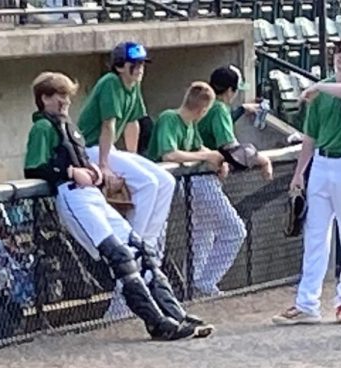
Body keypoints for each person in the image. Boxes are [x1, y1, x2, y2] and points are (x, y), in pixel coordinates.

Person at [23, 71, 213, 340]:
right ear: (44, 98)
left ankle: (176, 314)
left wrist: (93, 170)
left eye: (66, 95)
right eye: (58, 95)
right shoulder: (43, 127)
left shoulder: (67, 125)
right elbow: (33, 168)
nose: (64, 101)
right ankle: (157, 322)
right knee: (120, 257)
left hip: (90, 194)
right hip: (73, 196)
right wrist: (68, 172)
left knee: (140, 251)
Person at [271, 32, 341, 325]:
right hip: (323, 164)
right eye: (338, 50)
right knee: (315, 236)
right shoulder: (324, 91)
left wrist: (319, 85)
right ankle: (307, 303)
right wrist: (299, 173)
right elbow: (311, 137)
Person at [76, 41, 176, 315]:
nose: (140, 68)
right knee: (148, 183)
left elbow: (132, 122)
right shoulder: (111, 81)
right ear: (120, 65)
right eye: (135, 64)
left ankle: (149, 246)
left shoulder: (133, 85)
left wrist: (134, 159)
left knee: (166, 181)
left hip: (111, 148)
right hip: (93, 149)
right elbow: (108, 126)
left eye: (143, 64)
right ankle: (133, 247)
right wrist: (106, 165)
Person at [147, 80, 245, 297]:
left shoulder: (190, 124)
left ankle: (198, 285)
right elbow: (169, 154)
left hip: (175, 189)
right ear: (203, 110)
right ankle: (201, 283)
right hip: (154, 190)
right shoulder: (170, 118)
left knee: (202, 232)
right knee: (153, 245)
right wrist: (207, 156)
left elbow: (197, 146)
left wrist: (217, 157)